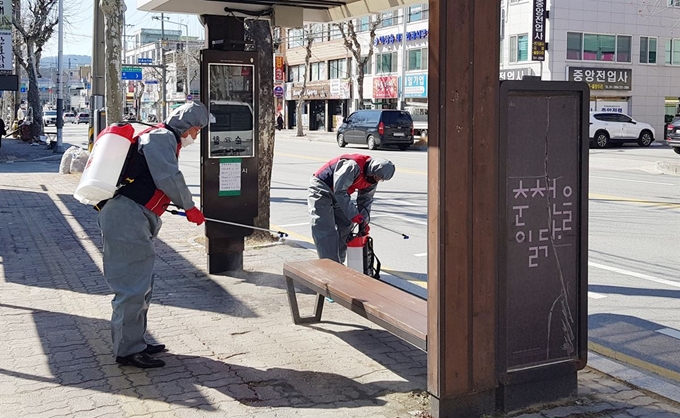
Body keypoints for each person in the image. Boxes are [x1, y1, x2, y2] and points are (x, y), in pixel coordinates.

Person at [96, 101, 209, 368]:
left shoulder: (164, 138)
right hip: (126, 217)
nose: (196, 135)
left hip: (134, 217)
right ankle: (128, 351)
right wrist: (189, 206)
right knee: (132, 286)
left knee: (142, 283)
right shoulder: (160, 138)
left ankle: (137, 341)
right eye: (197, 130)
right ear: (189, 127)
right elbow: (169, 176)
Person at [308, 154, 395, 263]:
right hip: (321, 188)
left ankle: (338, 262)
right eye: (377, 177)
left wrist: (364, 222)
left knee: (346, 224)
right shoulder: (352, 166)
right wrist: (354, 214)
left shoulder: (372, 179)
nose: (378, 180)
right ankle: (329, 265)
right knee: (325, 228)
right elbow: (339, 191)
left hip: (341, 195)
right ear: (372, 170)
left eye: (381, 179)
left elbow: (366, 200)